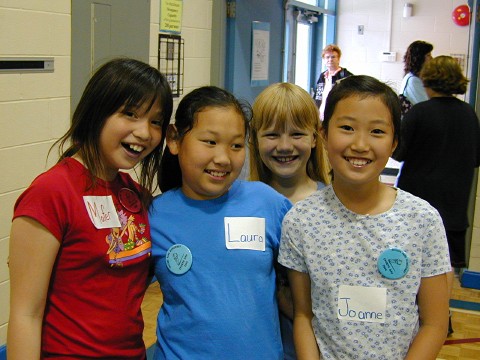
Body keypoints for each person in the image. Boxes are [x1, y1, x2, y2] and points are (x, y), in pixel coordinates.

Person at [7, 58, 173, 359]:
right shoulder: (51, 193)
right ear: (96, 111)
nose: (144, 132)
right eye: (130, 114)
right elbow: (25, 315)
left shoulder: (135, 195)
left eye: (155, 121)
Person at [279, 75, 451, 359]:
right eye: (346, 128)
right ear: (322, 133)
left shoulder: (422, 220)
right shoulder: (301, 222)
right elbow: (303, 316)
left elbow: (434, 324)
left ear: (394, 141)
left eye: (377, 132)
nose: (360, 144)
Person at [149, 86, 292, 360]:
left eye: (236, 145)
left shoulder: (268, 205)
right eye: (210, 142)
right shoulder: (155, 216)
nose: (224, 158)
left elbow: (299, 291)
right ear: (175, 139)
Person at [249, 82, 331, 359]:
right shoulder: (240, 205)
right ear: (255, 139)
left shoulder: (334, 205)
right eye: (271, 134)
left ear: (315, 137)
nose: (284, 146)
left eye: (296, 134)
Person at [394, 55, 480, 273]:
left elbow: (398, 152)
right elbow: (476, 158)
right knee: (446, 266)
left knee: (410, 264)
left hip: (416, 203)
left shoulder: (419, 112)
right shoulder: (469, 114)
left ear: (427, 79)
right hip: (454, 205)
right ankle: (443, 307)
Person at [313, 44, 353, 120]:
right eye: (327, 57)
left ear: (338, 59)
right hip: (320, 117)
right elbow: (317, 96)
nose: (330, 59)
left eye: (333, 57)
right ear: (324, 59)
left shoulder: (346, 76)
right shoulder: (322, 76)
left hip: (337, 117)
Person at [400, 40, 433, 105]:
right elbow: (426, 106)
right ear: (419, 58)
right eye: (428, 55)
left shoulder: (413, 77)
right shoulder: (413, 80)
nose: (432, 58)